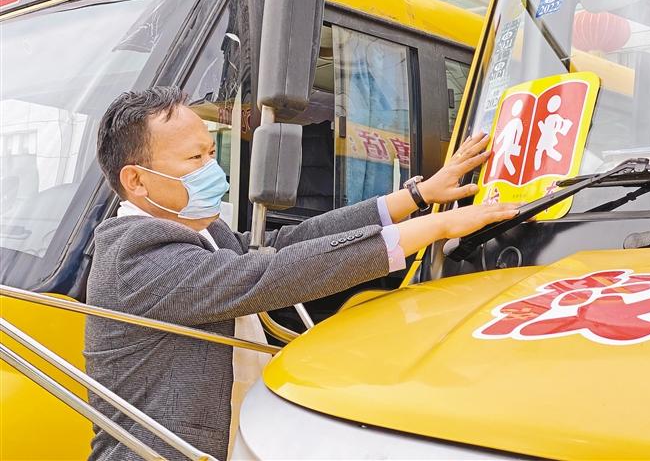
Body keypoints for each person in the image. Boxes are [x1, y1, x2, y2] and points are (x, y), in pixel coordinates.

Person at [85, 87, 519, 460]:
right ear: (136, 181)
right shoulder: (134, 255)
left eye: (211, 153)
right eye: (194, 158)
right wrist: (435, 227)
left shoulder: (202, 231)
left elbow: (287, 244)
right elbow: (269, 273)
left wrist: (416, 197)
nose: (211, 170)